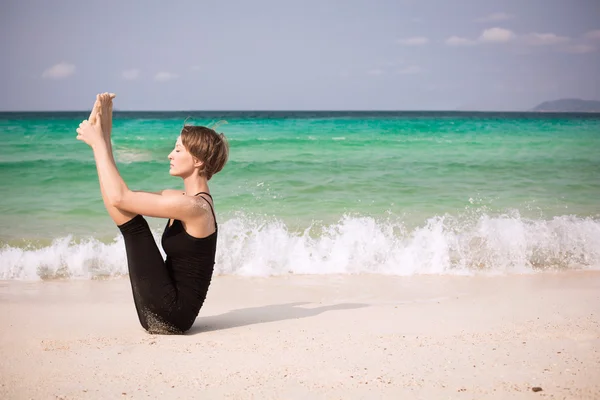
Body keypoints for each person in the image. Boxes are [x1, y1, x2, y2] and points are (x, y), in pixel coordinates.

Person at [76, 93, 229, 334]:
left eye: (178, 150)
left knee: (134, 228)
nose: (170, 154)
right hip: (162, 310)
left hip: (172, 315)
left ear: (197, 161)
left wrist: (98, 145)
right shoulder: (181, 200)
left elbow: (119, 196)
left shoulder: (195, 209)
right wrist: (104, 129)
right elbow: (121, 195)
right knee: (128, 212)